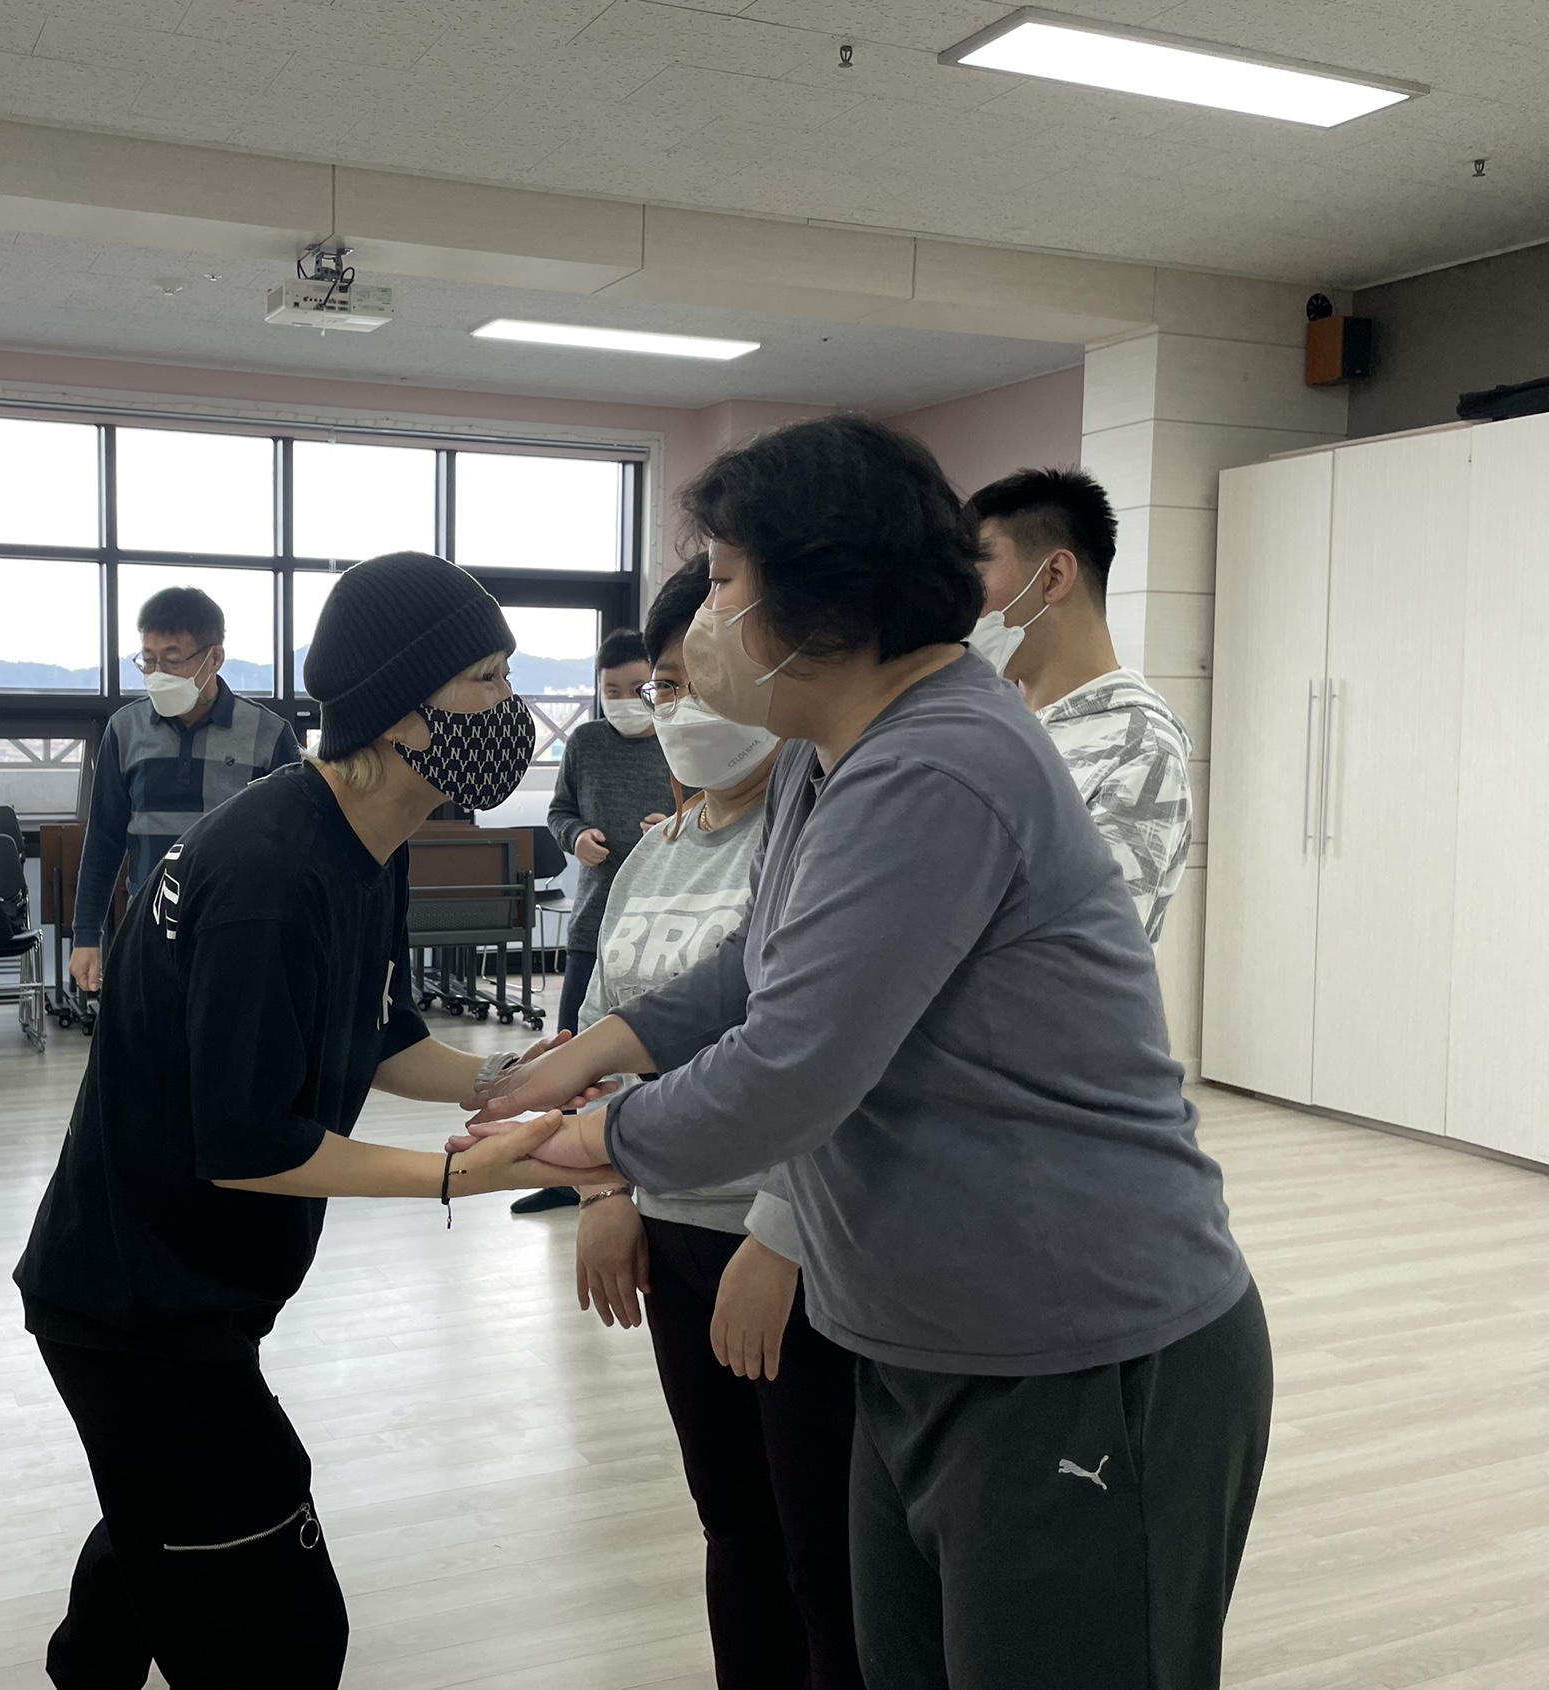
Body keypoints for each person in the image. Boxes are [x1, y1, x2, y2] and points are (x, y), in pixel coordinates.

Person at [468, 417, 1271, 1690]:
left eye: (723, 582)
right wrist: (594, 1050)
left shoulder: (939, 762)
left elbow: (787, 1069)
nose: (702, 623)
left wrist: (589, 1141)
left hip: (1075, 1343)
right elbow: (757, 963)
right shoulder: (823, 757)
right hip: (916, 1334)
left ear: (820, 599)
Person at [15, 551, 605, 1690]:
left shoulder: (359, 841)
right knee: (276, 1626)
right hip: (138, 1305)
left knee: (154, 1525)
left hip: (189, 1289)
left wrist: (507, 1081)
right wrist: (463, 1175)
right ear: (402, 709)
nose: (513, 711)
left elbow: (372, 1032)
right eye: (487, 681)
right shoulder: (272, 872)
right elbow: (248, 1146)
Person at [569, 559, 862, 1690]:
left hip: (786, 1247)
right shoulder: (655, 850)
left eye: (700, 678)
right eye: (665, 687)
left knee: (822, 1551)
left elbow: (834, 1055)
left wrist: (779, 1231)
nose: (683, 707)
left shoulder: (821, 833)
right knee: (732, 1525)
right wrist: (605, 1192)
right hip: (670, 1231)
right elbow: (598, 1022)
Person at [966, 467, 1193, 940]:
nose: (961, 600)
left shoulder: (1140, 748)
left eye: (976, 573)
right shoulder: (996, 716)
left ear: (1054, 576)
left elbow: (1089, 947)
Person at [67, 586, 299, 994]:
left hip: (238, 928)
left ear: (214, 659)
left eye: (173, 660)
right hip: (148, 924)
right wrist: (86, 934)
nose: (158, 673)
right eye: (148, 660)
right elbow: (104, 839)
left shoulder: (268, 733)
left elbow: (294, 846)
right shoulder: (125, 730)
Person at [520, 627, 673, 1214]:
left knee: (655, 1057)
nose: (624, 701)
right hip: (594, 921)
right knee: (572, 1052)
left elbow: (716, 811)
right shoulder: (585, 742)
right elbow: (560, 811)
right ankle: (566, 1175)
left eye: (638, 688)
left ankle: (644, 1171)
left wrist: (678, 824)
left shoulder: (683, 739)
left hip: (663, 925)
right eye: (612, 690)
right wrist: (576, 836)